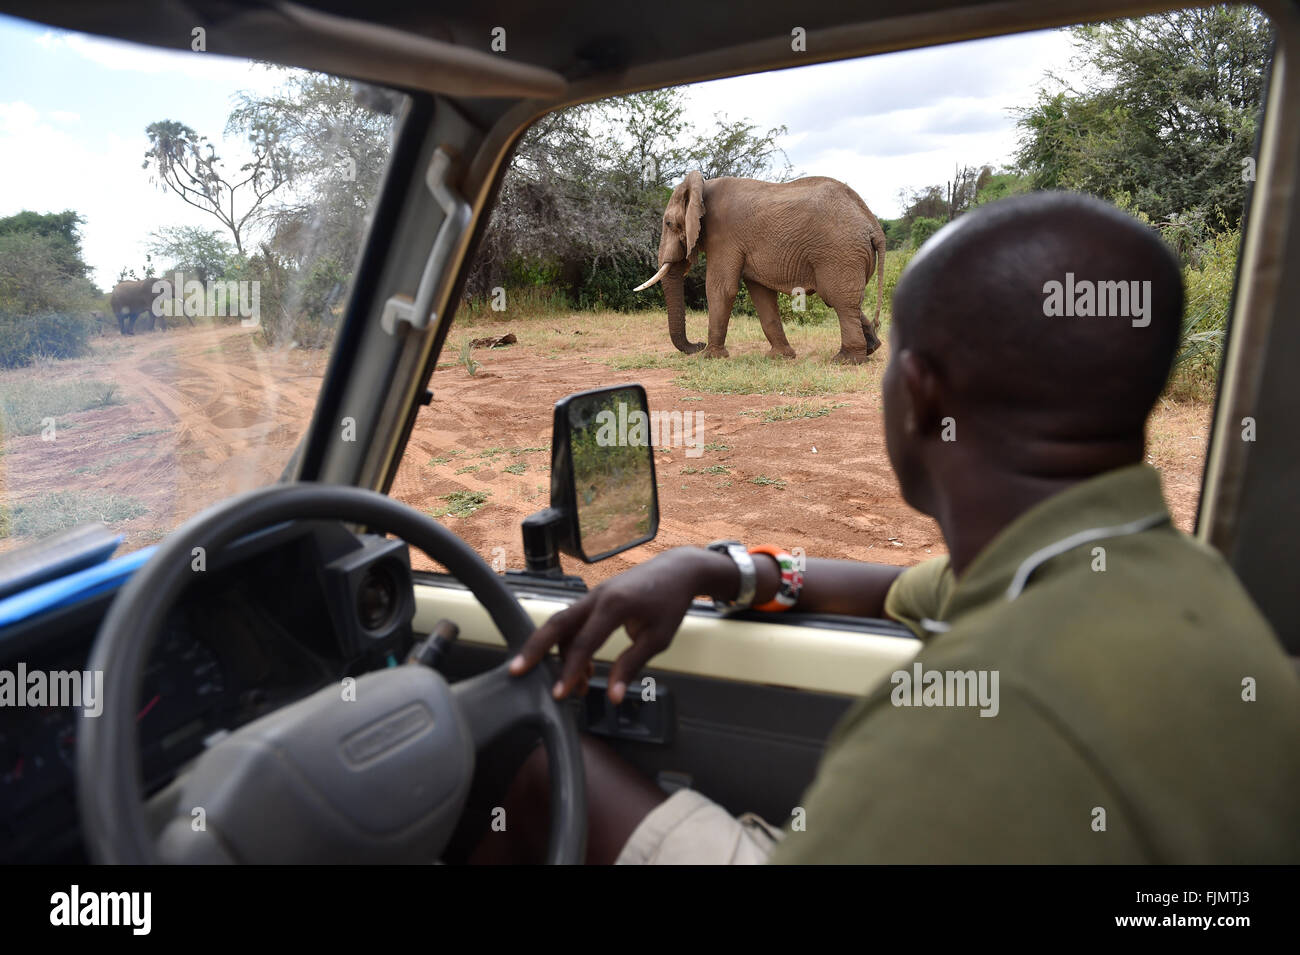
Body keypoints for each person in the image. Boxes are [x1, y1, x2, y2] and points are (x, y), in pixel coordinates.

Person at [488, 191, 1300, 864]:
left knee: (541, 778)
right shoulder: (1145, 570)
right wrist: (719, 567)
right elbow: (905, 591)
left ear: (919, 395)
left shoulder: (956, 728)